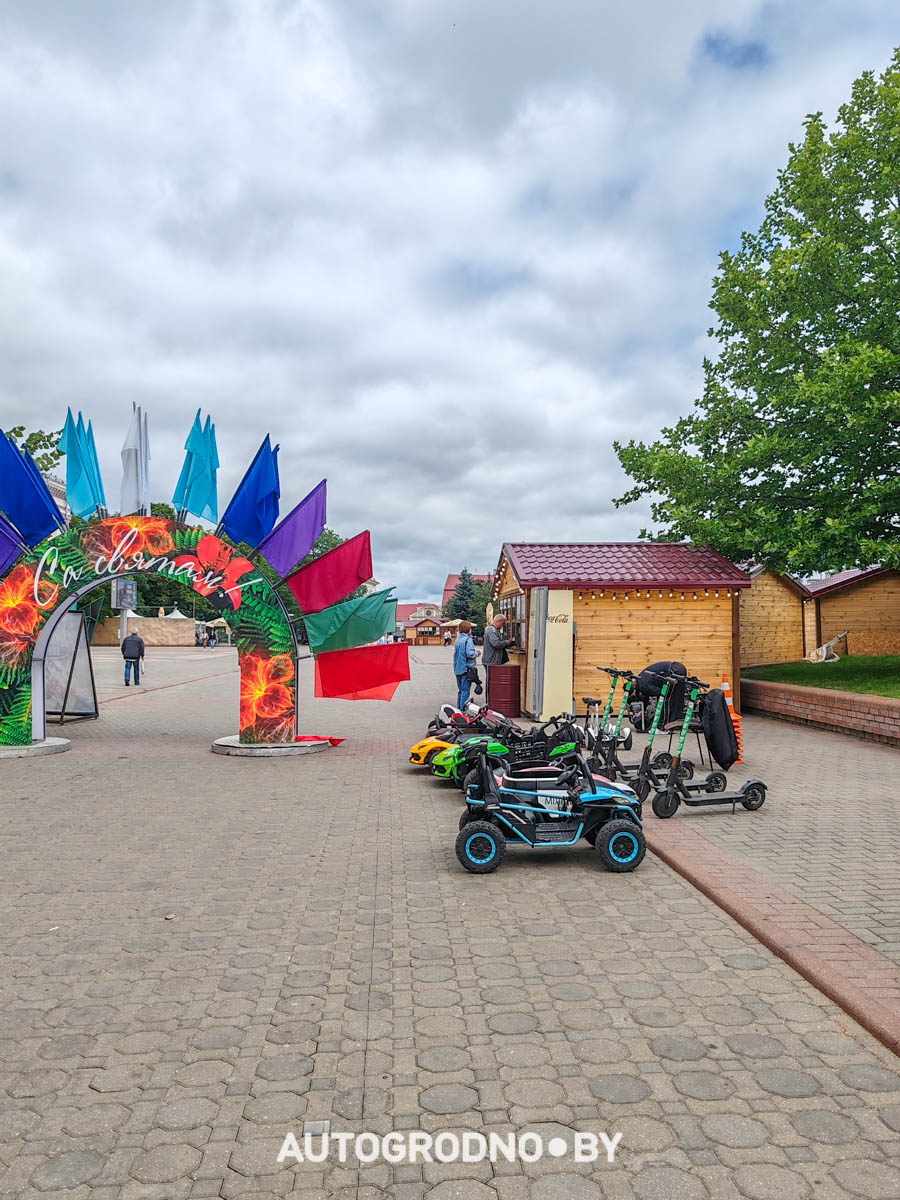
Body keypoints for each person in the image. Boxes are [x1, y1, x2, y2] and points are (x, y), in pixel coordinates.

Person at [453, 620, 477, 711]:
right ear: (469, 630)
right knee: (465, 691)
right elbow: (470, 654)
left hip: (457, 668)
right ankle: (463, 711)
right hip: (466, 668)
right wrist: (477, 653)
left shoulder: (458, 639)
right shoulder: (468, 640)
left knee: (460, 691)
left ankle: (458, 710)